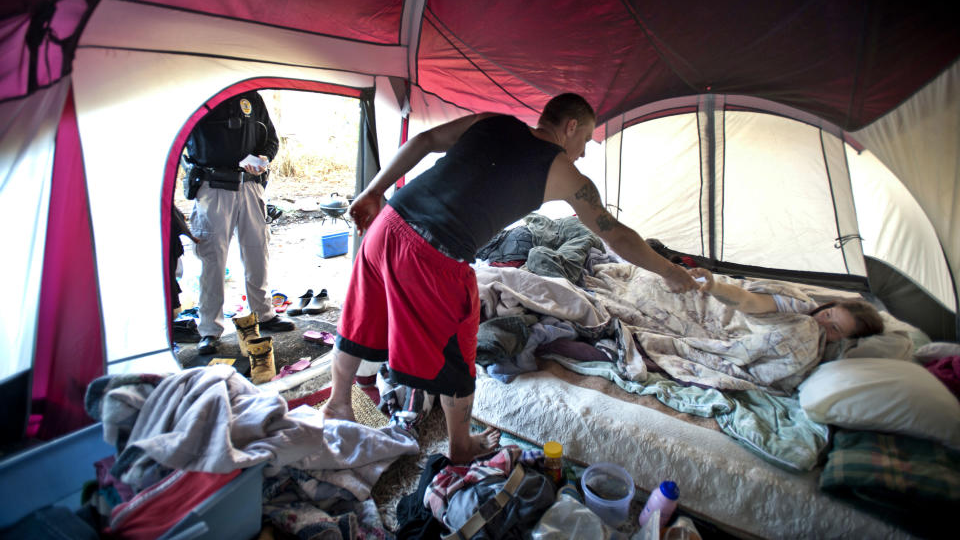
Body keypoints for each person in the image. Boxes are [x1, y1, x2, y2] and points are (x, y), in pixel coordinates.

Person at [320, 93, 697, 464]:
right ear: (570, 127)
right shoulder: (564, 170)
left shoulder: (491, 120)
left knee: (361, 318)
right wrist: (670, 271)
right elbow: (614, 233)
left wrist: (373, 191)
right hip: (435, 254)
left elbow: (424, 140)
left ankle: (337, 403)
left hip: (388, 224)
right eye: (585, 139)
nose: (583, 151)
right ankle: (459, 445)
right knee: (458, 348)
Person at [183, 90, 294, 355]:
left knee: (257, 252)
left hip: (251, 187)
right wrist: (234, 160)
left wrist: (264, 158)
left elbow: (271, 140)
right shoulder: (201, 95)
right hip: (213, 187)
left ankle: (264, 314)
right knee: (212, 259)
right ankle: (210, 330)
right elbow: (190, 142)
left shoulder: (251, 97)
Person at [688, 267, 883, 343]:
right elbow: (749, 301)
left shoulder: (821, 352)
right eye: (829, 314)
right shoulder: (798, 307)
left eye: (835, 328)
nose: (822, 321)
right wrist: (715, 287)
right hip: (713, 298)